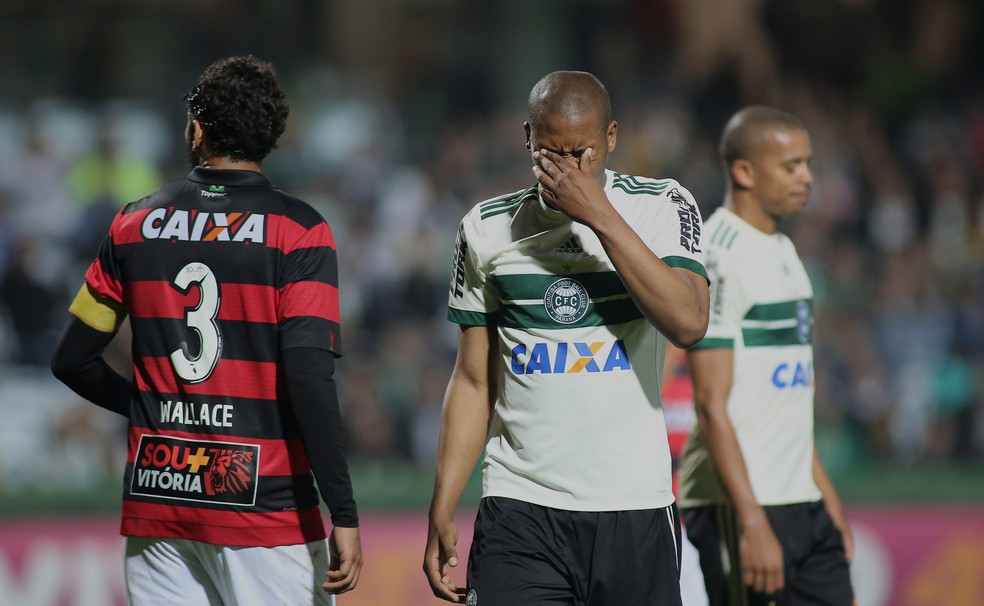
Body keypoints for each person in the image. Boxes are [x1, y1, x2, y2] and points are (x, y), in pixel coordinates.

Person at [50, 55, 362, 605]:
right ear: (271, 139)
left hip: (159, 500)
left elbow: (71, 360)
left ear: (196, 130)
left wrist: (151, 408)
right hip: (264, 510)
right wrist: (344, 510)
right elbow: (309, 377)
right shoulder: (299, 231)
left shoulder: (133, 222)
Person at [423, 70, 710, 606]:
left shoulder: (663, 206)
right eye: (551, 153)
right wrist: (443, 502)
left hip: (636, 507)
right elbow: (471, 380)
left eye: (582, 154)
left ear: (611, 138)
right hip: (520, 509)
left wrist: (597, 215)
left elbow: (689, 323)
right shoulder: (485, 229)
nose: (568, 170)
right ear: (527, 138)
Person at [677, 106, 855, 606]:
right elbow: (712, 405)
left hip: (800, 498)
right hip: (740, 504)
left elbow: (789, 401)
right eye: (792, 165)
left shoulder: (784, 250)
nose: (808, 177)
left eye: (808, 163)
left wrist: (828, 503)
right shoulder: (716, 255)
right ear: (744, 171)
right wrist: (752, 520)